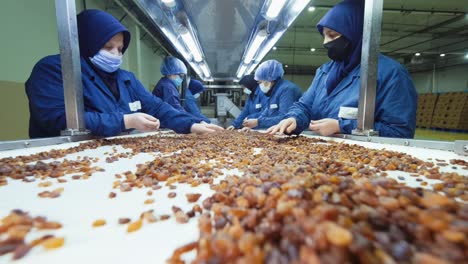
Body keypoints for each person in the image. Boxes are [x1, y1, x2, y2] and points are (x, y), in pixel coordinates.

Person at [25, 9, 222, 138]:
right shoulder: (55, 69)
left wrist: (191, 124)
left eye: (120, 49)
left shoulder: (126, 78)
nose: (115, 54)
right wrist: (124, 121)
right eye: (107, 46)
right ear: (86, 43)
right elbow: (57, 118)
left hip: (109, 155)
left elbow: (157, 107)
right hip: (64, 160)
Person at [267, 0, 417, 138]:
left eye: (332, 35)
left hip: (362, 161)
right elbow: (305, 106)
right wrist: (294, 118)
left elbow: (401, 132)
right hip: (322, 157)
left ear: (355, 33)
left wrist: (342, 127)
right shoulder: (325, 72)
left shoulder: (390, 74)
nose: (326, 42)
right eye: (324, 36)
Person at [242, 60, 302, 130]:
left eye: (260, 82)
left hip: (297, 133)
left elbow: (285, 118)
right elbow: (266, 112)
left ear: (268, 79)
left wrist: (258, 122)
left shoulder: (287, 90)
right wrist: (254, 125)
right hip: (280, 131)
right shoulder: (273, 91)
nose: (259, 85)